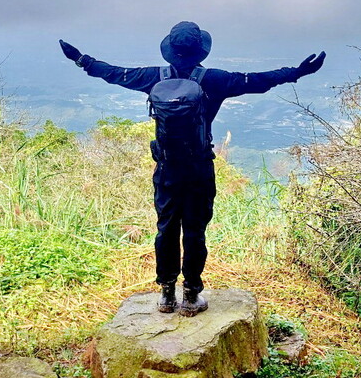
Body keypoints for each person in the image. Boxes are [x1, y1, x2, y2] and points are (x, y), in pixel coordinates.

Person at [59, 21, 326, 316]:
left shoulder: (152, 78)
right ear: (201, 51)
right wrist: (298, 72)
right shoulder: (215, 79)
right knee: (195, 231)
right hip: (199, 167)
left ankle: (166, 295)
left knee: (166, 228)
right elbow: (258, 80)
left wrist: (80, 58)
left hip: (167, 168)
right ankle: (191, 295)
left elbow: (112, 73)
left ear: (170, 51)